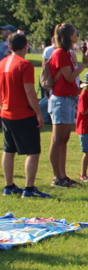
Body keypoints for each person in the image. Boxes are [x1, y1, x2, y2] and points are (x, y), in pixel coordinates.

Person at [0, 33, 51, 198]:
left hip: (6, 111)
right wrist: (39, 114)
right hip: (23, 112)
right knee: (33, 151)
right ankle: (29, 189)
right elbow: (30, 91)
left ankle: (8, 185)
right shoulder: (24, 64)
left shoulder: (2, 63)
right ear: (26, 46)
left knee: (9, 149)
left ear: (10, 47)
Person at [48, 23, 88, 188]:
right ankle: (57, 177)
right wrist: (85, 63)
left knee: (64, 139)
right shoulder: (60, 53)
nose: (77, 36)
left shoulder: (67, 53)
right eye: (75, 33)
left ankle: (63, 175)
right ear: (68, 35)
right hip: (61, 100)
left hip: (68, 99)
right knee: (57, 140)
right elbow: (69, 77)